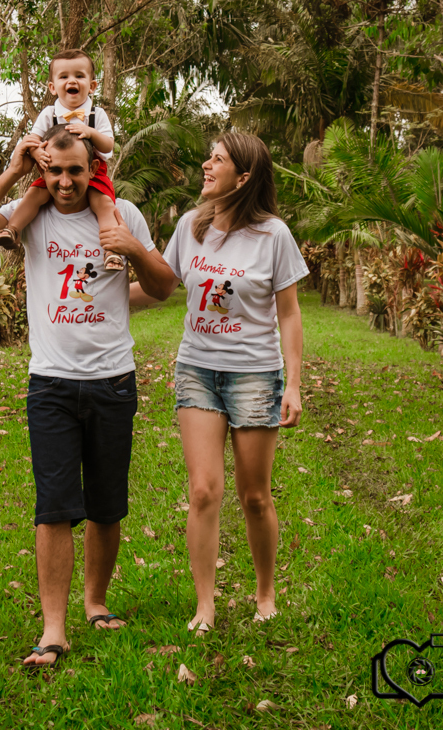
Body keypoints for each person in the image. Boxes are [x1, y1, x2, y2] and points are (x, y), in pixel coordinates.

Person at [0, 124, 177, 668]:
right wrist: (11, 171)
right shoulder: (32, 218)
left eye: (76, 171)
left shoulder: (123, 215)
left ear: (92, 170)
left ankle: (95, 603)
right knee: (52, 508)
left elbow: (167, 286)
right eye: (54, 171)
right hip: (50, 382)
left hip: (113, 381)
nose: (66, 182)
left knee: (106, 504)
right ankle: (53, 630)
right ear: (42, 171)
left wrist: (132, 251)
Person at [131, 132, 307, 633]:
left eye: (218, 159)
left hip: (255, 372)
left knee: (255, 495)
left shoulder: (274, 235)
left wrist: (292, 384)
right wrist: (104, 298)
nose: (206, 164)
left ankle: (265, 592)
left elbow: (289, 315)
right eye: (208, 154)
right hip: (198, 369)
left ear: (243, 177)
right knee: (205, 491)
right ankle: (205, 605)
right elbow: (159, 287)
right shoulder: (191, 226)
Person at [0, 49, 133, 271]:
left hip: (93, 173)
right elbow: (33, 140)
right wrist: (38, 152)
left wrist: (91, 132)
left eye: (79, 75)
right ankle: (13, 230)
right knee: (32, 195)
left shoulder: (97, 114)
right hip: (55, 170)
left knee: (105, 205)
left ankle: (111, 251)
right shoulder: (49, 114)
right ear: (52, 87)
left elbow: (108, 145)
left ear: (92, 85)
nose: (72, 81)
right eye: (64, 77)